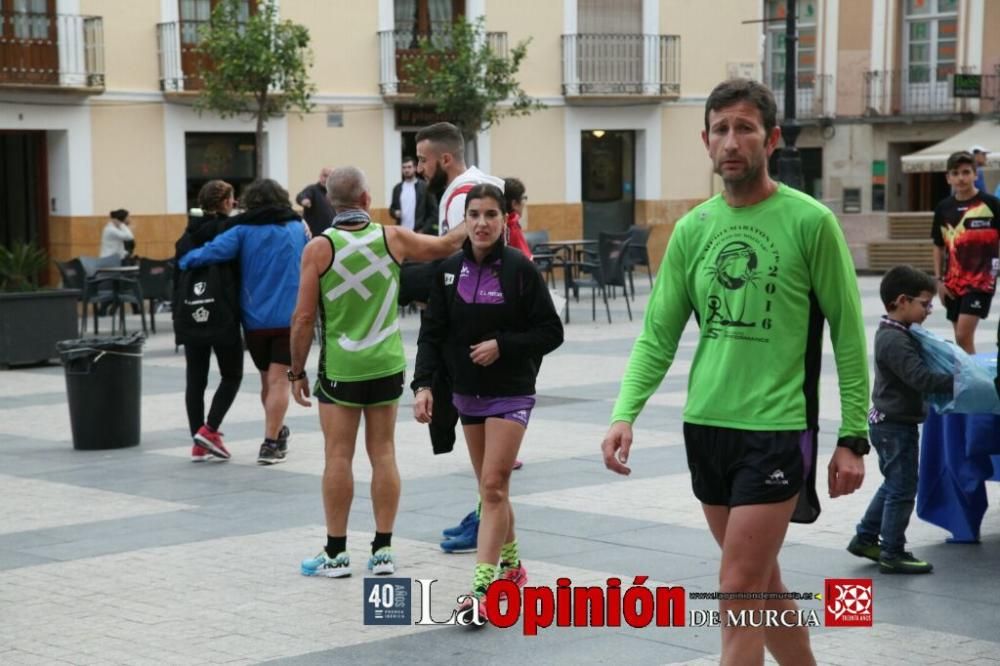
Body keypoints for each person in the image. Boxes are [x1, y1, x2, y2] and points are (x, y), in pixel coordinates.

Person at [600, 78, 870, 666]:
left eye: (744, 128)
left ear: (770, 139)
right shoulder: (694, 230)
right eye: (720, 129)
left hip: (775, 429)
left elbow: (850, 336)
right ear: (705, 140)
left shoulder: (810, 222)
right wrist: (625, 412)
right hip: (707, 427)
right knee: (761, 584)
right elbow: (658, 333)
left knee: (737, 592)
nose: (731, 141)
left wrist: (854, 436)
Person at [289, 166, 468, 578]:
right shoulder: (393, 238)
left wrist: (296, 372)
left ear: (330, 201)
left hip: (341, 369)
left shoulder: (318, 248)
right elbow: (444, 245)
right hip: (386, 364)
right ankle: (383, 551)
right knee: (383, 453)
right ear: (368, 199)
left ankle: (335, 554)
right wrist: (475, 211)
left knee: (338, 455)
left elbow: (302, 318)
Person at [411, 183, 563, 621]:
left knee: (493, 487)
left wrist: (503, 345)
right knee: (490, 488)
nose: (481, 223)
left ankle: (481, 589)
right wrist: (423, 385)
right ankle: (513, 566)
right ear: (465, 220)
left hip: (511, 391)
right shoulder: (448, 271)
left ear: (504, 220)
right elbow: (432, 333)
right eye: (473, 214)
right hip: (465, 394)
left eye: (490, 215)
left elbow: (551, 331)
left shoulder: (519, 269)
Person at [415, 121, 507, 554]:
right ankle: (484, 514)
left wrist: (404, 252)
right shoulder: (485, 182)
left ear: (444, 159)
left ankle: (488, 523)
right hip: (490, 320)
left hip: (474, 326)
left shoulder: (459, 195)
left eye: (423, 160)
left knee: (476, 426)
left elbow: (454, 251)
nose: (418, 168)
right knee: (480, 430)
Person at [179, 179, 309, 465]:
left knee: (268, 380)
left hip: (255, 322)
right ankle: (271, 443)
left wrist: (184, 260)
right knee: (280, 382)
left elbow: (206, 254)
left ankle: (275, 431)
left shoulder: (241, 231)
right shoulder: (299, 228)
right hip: (291, 318)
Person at [848, 266, 950, 575]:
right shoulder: (894, 340)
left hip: (890, 422)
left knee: (895, 483)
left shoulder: (898, 333)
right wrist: (956, 380)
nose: (929, 310)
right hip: (894, 425)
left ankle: (866, 537)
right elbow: (918, 377)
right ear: (901, 301)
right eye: (924, 303)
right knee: (903, 488)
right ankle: (892, 551)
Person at [174, 180, 244, 462]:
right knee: (232, 375)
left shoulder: (186, 235)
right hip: (223, 314)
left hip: (191, 315)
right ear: (225, 202)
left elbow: (176, 278)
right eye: (232, 198)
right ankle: (209, 429)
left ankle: (198, 442)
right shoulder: (230, 231)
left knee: (195, 380)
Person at [931, 151, 1000, 354]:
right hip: (952, 282)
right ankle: (969, 379)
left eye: (966, 172)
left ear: (975, 175)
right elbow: (937, 244)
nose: (961, 178)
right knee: (961, 341)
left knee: (963, 335)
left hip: (981, 281)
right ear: (948, 177)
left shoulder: (991, 204)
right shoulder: (943, 208)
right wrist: (939, 280)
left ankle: (975, 381)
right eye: (955, 173)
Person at [389, 156, 436, 233]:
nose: (406, 170)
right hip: (401, 232)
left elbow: (434, 212)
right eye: (404, 167)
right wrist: (395, 213)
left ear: (415, 168)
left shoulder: (425, 187)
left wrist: (423, 230)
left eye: (409, 167)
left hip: (419, 232)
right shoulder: (397, 189)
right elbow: (392, 209)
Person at [296, 167, 335, 238]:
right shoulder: (312, 189)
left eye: (330, 177)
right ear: (320, 176)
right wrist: (304, 200)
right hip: (315, 236)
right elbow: (301, 196)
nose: (326, 179)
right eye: (325, 176)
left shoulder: (334, 193)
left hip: (331, 235)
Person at [503, 177, 532, 260]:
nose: (524, 203)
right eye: (524, 198)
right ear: (514, 204)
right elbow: (527, 260)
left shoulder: (500, 225)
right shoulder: (511, 226)